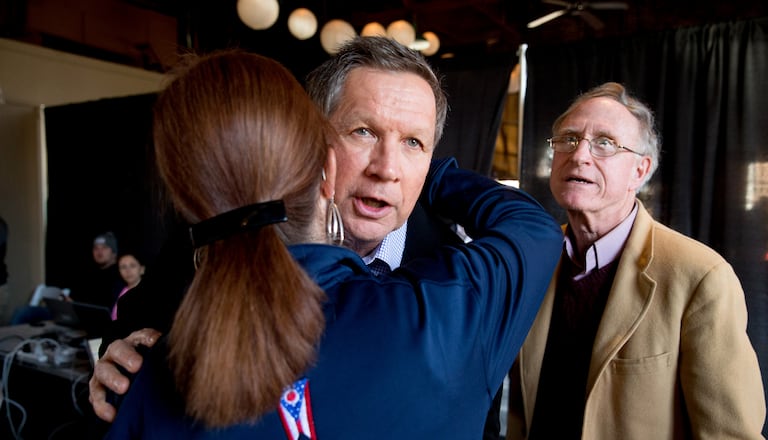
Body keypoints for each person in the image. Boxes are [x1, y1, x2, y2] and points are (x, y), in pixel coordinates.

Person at [101, 50, 561, 439]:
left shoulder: (456, 278)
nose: (387, 168)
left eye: (414, 143)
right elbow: (137, 333)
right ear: (310, 146)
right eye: (364, 132)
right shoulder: (211, 243)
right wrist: (114, 359)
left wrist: (438, 174)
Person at [507, 82, 766, 439]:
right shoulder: (533, 259)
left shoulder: (700, 276)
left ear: (640, 172)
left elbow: (729, 434)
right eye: (568, 139)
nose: (579, 154)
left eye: (605, 143)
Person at [70, 231, 125, 309]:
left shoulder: (122, 274)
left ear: (114, 252)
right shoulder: (89, 273)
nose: (99, 252)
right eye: (96, 248)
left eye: (104, 248)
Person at [110, 253, 145, 320]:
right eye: (123, 267)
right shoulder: (117, 290)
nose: (128, 271)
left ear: (142, 269)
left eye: (132, 266)